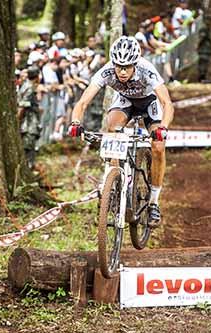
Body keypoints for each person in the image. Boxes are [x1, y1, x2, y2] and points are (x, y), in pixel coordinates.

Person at [69, 36, 174, 226]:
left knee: (158, 146)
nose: (122, 71)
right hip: (125, 101)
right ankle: (114, 179)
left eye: (127, 67)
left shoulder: (146, 69)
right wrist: (75, 122)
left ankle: (153, 203)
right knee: (112, 127)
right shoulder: (106, 71)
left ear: (135, 63)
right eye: (119, 66)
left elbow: (167, 103)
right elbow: (83, 102)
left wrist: (163, 127)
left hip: (149, 102)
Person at [17, 67, 42, 167]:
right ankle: (28, 167)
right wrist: (17, 120)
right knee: (28, 147)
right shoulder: (29, 88)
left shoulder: (25, 85)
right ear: (37, 77)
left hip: (27, 122)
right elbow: (22, 106)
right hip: (28, 123)